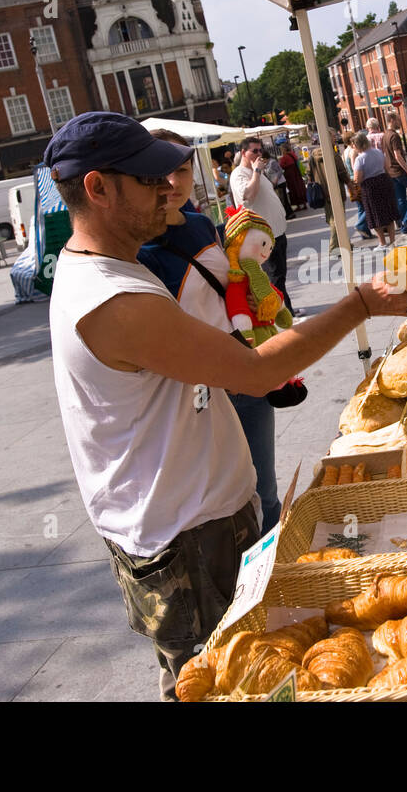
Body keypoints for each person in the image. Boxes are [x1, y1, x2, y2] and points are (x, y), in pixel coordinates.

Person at [44, 111, 407, 700]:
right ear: (97, 188)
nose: (165, 191)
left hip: (192, 526)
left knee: (223, 676)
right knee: (222, 683)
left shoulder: (107, 271)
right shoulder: (113, 299)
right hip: (187, 543)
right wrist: (362, 304)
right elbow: (257, 373)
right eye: (148, 181)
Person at [137, 130, 282, 533]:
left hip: (245, 367)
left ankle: (274, 584)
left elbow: (227, 286)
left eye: (181, 171)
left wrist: (255, 300)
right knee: (224, 503)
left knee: (264, 489)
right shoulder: (139, 252)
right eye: (159, 174)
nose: (172, 183)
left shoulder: (203, 225)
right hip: (196, 392)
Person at [230, 136, 292, 311]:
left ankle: (286, 308)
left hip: (277, 232)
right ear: (243, 153)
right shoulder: (239, 174)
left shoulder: (257, 171)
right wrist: (256, 172)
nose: (259, 154)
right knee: (274, 277)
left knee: (280, 275)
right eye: (254, 151)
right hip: (262, 237)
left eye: (260, 150)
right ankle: (282, 313)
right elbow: (248, 195)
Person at [351, 130, 400, 246]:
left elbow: (357, 179)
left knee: (375, 215)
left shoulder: (360, 159)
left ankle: (382, 242)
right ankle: (393, 241)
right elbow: (387, 167)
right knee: (389, 213)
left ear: (358, 144)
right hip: (384, 181)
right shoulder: (378, 152)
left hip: (370, 187)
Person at [383, 114, 407, 232]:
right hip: (400, 171)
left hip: (391, 172)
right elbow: (397, 155)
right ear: (392, 120)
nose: (400, 122)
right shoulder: (394, 136)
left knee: (401, 199)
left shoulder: (385, 135)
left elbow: (385, 155)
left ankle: (405, 225)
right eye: (398, 120)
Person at [343, 131, 372, 240]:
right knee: (366, 206)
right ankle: (361, 226)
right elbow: (355, 167)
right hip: (356, 181)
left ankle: (365, 232)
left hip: (351, 181)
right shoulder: (353, 152)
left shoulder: (345, 151)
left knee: (361, 208)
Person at [261, 150, 294, 220]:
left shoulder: (272, 162)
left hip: (280, 182)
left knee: (283, 198)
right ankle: (287, 213)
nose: (262, 160)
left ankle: (289, 213)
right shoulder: (265, 164)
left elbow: (280, 171)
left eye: (262, 158)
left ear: (265, 157)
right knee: (280, 199)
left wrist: (276, 179)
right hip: (274, 184)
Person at [279, 144, 307, 210]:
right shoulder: (292, 154)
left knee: (293, 190)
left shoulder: (285, 157)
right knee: (300, 188)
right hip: (297, 173)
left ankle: (298, 205)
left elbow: (281, 165)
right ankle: (304, 203)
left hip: (290, 175)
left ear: (284, 150)